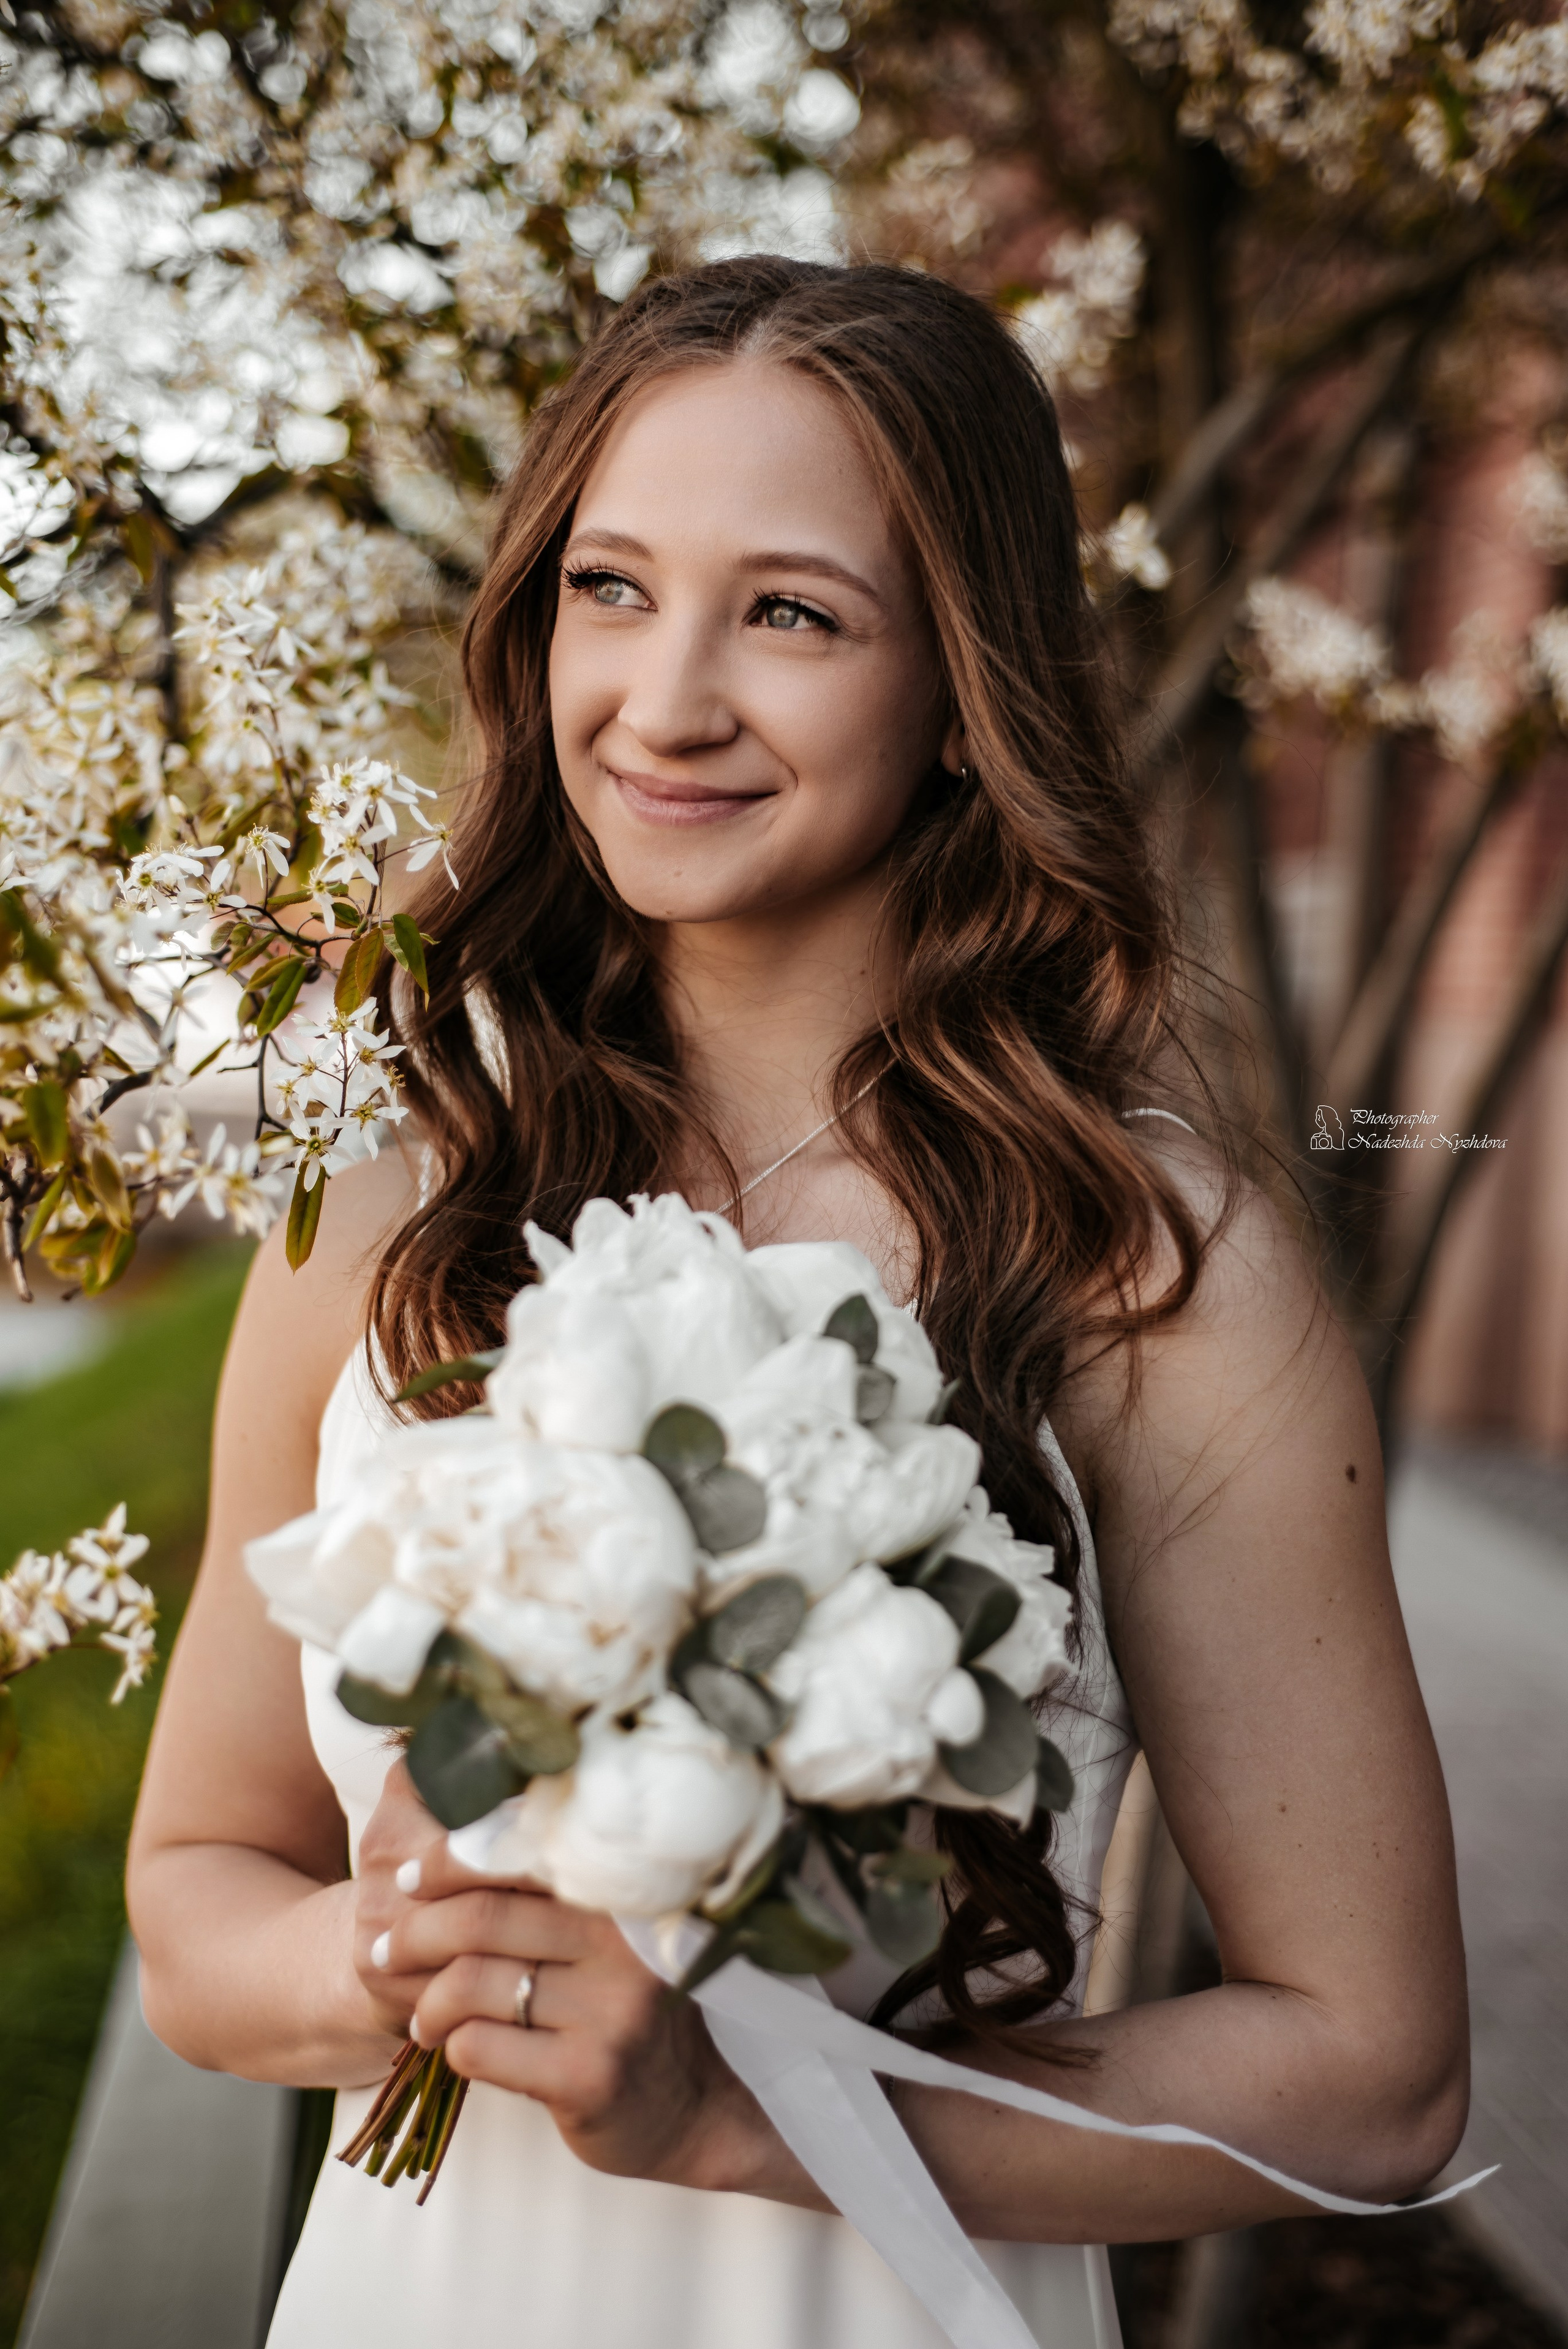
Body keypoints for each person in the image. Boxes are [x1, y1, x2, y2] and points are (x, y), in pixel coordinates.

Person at [126, 258, 1468, 2349]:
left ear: (963, 685)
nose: (664, 703)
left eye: (791, 613)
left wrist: (746, 2104)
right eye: (610, 587)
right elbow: (200, 1891)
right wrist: (405, 1962)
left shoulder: (1147, 1271)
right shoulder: (394, 1202)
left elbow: (1378, 2073)